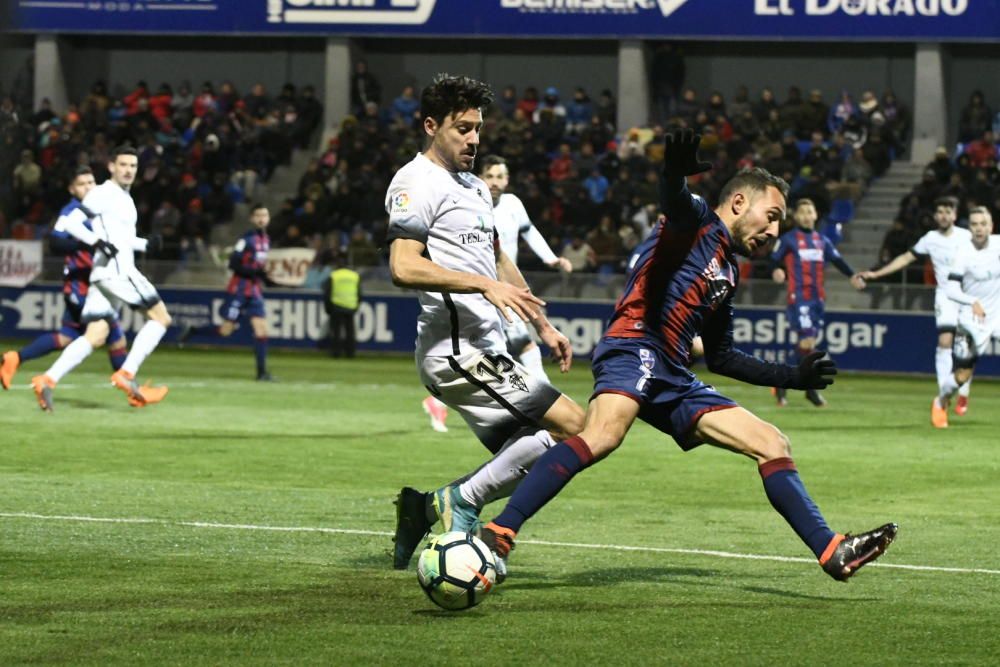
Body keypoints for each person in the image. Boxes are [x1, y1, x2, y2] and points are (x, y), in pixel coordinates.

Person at [477, 131, 897, 584]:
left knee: (772, 443)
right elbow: (674, 199)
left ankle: (832, 550)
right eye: (771, 217)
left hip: (674, 372)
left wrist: (793, 376)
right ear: (739, 202)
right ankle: (499, 531)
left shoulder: (728, 270)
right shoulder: (696, 221)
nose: (776, 231)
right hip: (636, 343)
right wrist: (672, 172)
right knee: (602, 435)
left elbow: (721, 357)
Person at [386, 74, 585, 573]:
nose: (474, 140)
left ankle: (428, 508)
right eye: (462, 128)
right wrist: (483, 287)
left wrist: (542, 325)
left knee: (537, 452)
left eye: (477, 129)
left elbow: (496, 258)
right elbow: (403, 266)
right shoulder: (415, 182)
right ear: (431, 126)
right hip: (456, 353)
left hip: (486, 347)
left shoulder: (474, 186)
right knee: (575, 428)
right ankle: (459, 505)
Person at [30, 146, 171, 410]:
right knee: (161, 318)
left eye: (133, 166)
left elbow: (120, 239)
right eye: (123, 165)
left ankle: (47, 380)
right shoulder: (103, 193)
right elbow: (69, 224)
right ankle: (126, 374)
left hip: (103, 273)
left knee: (95, 335)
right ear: (111, 167)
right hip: (117, 271)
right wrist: (96, 241)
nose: (128, 170)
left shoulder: (123, 198)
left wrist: (144, 245)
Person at [1, 167, 128, 398]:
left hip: (92, 285)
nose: (88, 187)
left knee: (66, 337)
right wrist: (88, 244)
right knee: (114, 335)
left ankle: (14, 359)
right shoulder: (71, 211)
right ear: (72, 189)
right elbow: (55, 243)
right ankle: (130, 387)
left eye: (91, 182)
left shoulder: (98, 209)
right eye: (82, 184)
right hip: (81, 287)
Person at [860, 198, 973, 417]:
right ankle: (943, 396)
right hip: (945, 296)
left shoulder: (966, 236)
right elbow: (905, 258)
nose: (943, 215)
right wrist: (876, 273)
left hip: (968, 296)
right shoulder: (930, 239)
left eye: (947, 211)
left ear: (955, 215)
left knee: (966, 348)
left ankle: (964, 391)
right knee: (944, 341)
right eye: (939, 211)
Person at [769, 198, 866, 407]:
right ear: (796, 216)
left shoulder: (822, 241)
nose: (805, 215)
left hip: (817, 299)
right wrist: (776, 270)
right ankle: (808, 388)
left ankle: (782, 383)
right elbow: (774, 259)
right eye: (801, 211)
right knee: (808, 344)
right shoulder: (788, 239)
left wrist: (852, 276)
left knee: (805, 347)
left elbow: (838, 261)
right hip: (799, 298)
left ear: (815, 215)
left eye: (809, 211)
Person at [178, 203, 274, 381]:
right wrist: (256, 273)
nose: (262, 218)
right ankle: (193, 330)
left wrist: (267, 279)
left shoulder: (266, 240)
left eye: (265, 215)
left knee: (262, 331)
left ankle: (262, 373)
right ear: (252, 219)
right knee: (225, 331)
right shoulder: (246, 240)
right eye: (258, 215)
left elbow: (258, 269)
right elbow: (234, 264)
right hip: (238, 289)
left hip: (254, 291)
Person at [934, 207, 999, 428]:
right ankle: (941, 400)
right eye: (974, 224)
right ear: (969, 227)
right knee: (962, 375)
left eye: (983, 224)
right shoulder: (963, 253)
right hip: (972, 320)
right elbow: (951, 289)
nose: (979, 228)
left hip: (997, 316)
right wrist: (972, 301)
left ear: (991, 226)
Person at [322, 253, 361, 358]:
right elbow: (359, 293)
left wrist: (328, 308)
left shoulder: (334, 275)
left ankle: (336, 353)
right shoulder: (354, 276)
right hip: (350, 306)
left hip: (337, 306)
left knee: (336, 332)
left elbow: (327, 293)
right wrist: (356, 305)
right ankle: (350, 353)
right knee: (350, 332)